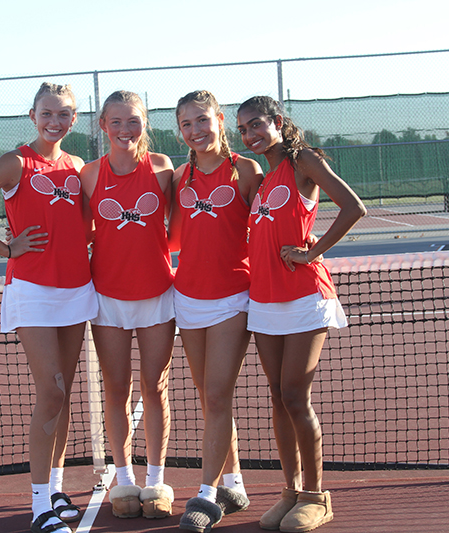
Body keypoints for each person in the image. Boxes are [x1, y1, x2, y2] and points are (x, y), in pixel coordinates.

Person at [0, 82, 97, 533]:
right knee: (50, 391)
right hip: (32, 289)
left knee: (64, 392)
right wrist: (6, 248)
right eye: (48, 113)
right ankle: (37, 505)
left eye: (65, 114)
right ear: (33, 116)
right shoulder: (15, 162)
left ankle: (55, 487)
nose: (56, 122)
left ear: (74, 119)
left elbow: (89, 224)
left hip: (77, 288)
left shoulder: (77, 166)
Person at [235, 96, 366, 533]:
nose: (251, 134)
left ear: (277, 122)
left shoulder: (302, 161)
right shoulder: (263, 175)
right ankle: (289, 493)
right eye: (244, 130)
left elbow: (353, 207)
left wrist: (313, 251)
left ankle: (315, 496)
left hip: (306, 296)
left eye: (257, 125)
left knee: (294, 396)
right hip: (264, 299)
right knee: (277, 397)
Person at [168, 90, 264, 533]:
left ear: (220, 120)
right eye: (186, 125)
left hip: (232, 298)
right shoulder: (180, 177)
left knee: (219, 394)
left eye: (202, 121)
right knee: (209, 398)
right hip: (187, 297)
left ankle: (206, 496)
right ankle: (234, 481)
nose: (195, 131)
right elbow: (169, 236)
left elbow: (269, 226)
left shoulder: (247, 171)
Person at [79, 90, 177, 519]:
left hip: (158, 293)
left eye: (133, 121)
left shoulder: (161, 168)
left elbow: (177, 228)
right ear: (103, 126)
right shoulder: (88, 174)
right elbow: (81, 232)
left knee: (155, 388)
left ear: (144, 124)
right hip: (108, 298)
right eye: (115, 122)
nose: (124, 130)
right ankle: (124, 479)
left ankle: (155, 481)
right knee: (116, 390)